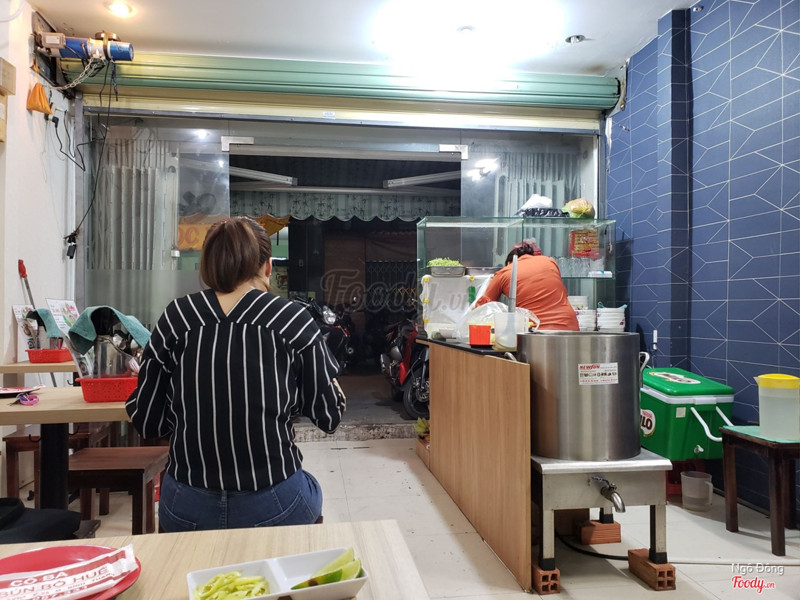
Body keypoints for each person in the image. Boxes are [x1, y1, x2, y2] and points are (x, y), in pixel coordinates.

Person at [125, 217, 346, 531]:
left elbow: (147, 420)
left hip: (187, 507)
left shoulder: (176, 317)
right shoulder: (291, 319)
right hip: (274, 504)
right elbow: (329, 416)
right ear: (267, 266)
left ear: (208, 264)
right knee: (310, 487)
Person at [475, 239, 579, 331]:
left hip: (535, 331)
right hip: (569, 326)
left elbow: (483, 308)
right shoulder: (550, 261)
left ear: (509, 262)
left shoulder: (505, 272)